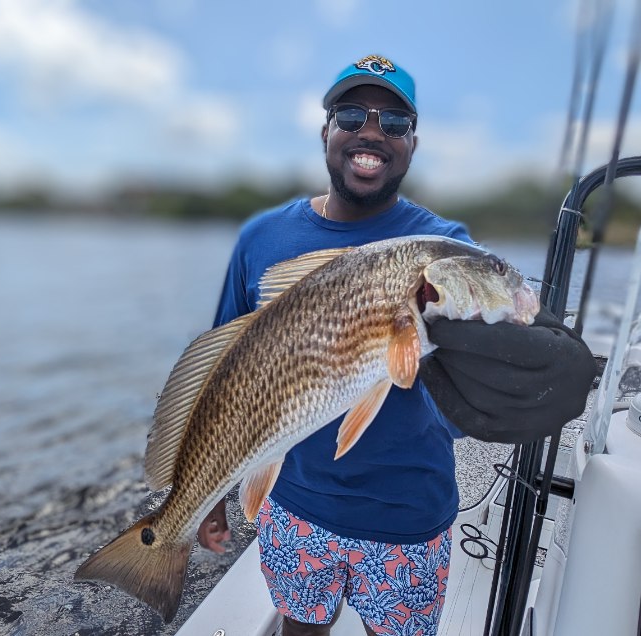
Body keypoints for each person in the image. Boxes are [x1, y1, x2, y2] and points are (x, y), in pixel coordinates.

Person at [197, 55, 596, 636]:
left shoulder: (446, 244)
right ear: (326, 130)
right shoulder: (263, 239)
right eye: (353, 114)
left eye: (394, 123)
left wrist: (538, 350)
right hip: (295, 504)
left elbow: (515, 324)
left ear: (412, 143)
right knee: (298, 627)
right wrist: (208, 490)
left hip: (408, 512)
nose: (371, 132)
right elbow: (220, 372)